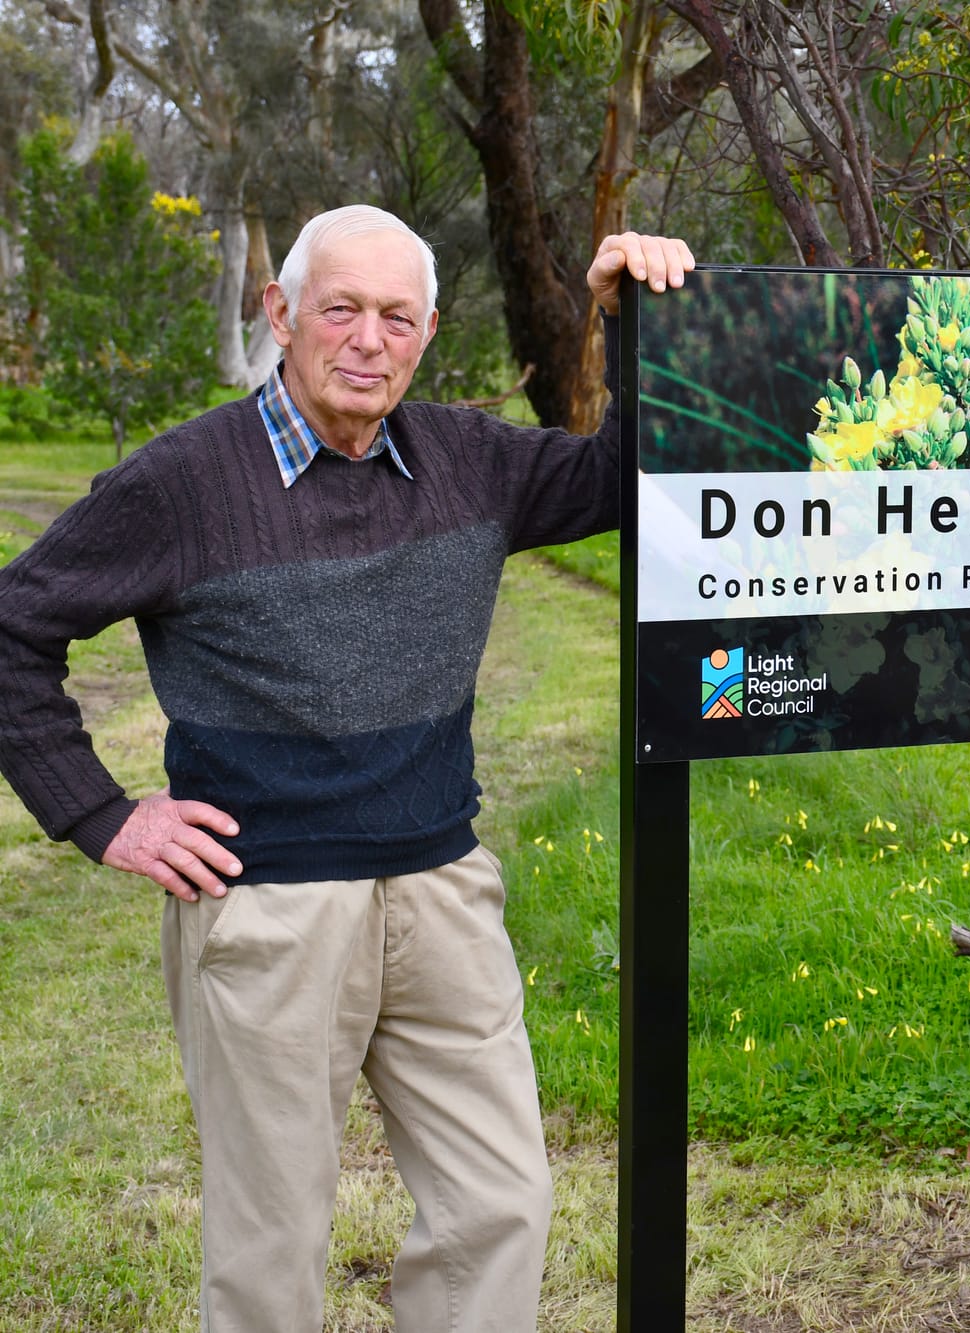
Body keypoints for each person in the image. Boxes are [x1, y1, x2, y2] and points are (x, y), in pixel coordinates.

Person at [0, 205, 694, 1330]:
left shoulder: (470, 460)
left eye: (398, 317)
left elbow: (628, 479)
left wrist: (635, 324)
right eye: (341, 309)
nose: (370, 340)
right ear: (280, 314)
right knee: (271, 1250)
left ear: (428, 334)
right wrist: (101, 813)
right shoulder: (183, 483)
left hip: (442, 892)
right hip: (268, 911)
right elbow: (13, 625)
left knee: (500, 1205)